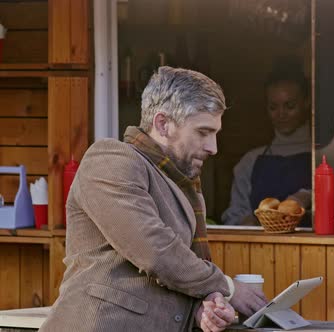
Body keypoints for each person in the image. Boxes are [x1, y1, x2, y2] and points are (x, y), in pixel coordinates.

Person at [41, 67, 267, 332]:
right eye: (203, 132)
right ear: (162, 124)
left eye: (215, 133)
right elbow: (154, 251)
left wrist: (204, 310)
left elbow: (173, 276)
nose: (213, 147)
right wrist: (226, 288)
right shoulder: (110, 159)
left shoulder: (182, 185)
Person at [222, 58, 311, 226]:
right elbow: (234, 219)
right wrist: (263, 220)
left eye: (290, 106)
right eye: (273, 107)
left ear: (307, 102)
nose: (281, 114)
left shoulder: (322, 157)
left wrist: (307, 197)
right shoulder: (250, 161)